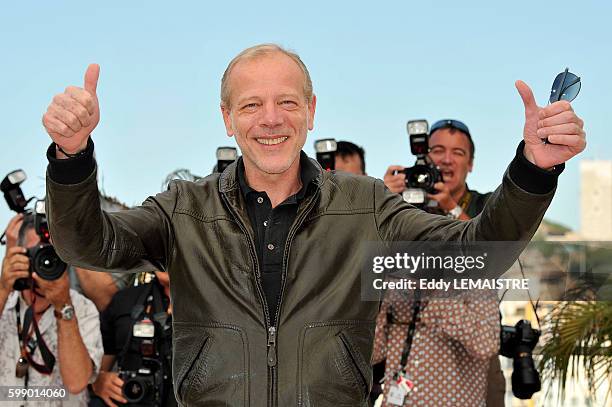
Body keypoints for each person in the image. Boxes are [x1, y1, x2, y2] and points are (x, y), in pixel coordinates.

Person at [41, 44, 585, 406]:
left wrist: (534, 171)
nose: (270, 119)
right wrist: (71, 158)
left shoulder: (366, 205)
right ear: (227, 118)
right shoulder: (184, 208)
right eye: (251, 104)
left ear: (311, 110)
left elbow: (477, 256)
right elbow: (85, 242)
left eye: (286, 102)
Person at [380, 119, 505, 405]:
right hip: (407, 346)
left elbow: (491, 251)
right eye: (437, 150)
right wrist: (381, 198)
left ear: (470, 164)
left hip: (472, 350)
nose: (446, 160)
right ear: (423, 157)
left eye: (458, 153)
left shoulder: (485, 205)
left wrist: (450, 207)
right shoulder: (406, 204)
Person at [0, 214, 103, 406]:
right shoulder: (5, 300)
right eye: (35, 254)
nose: (44, 263)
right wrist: (3, 288)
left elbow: (77, 382)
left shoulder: (83, 309)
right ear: (19, 255)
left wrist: (63, 305)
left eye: (51, 255)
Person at [91, 270, 175, 407]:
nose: (166, 259)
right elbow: (98, 368)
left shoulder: (215, 305)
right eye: (162, 250)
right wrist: (99, 381)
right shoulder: (125, 300)